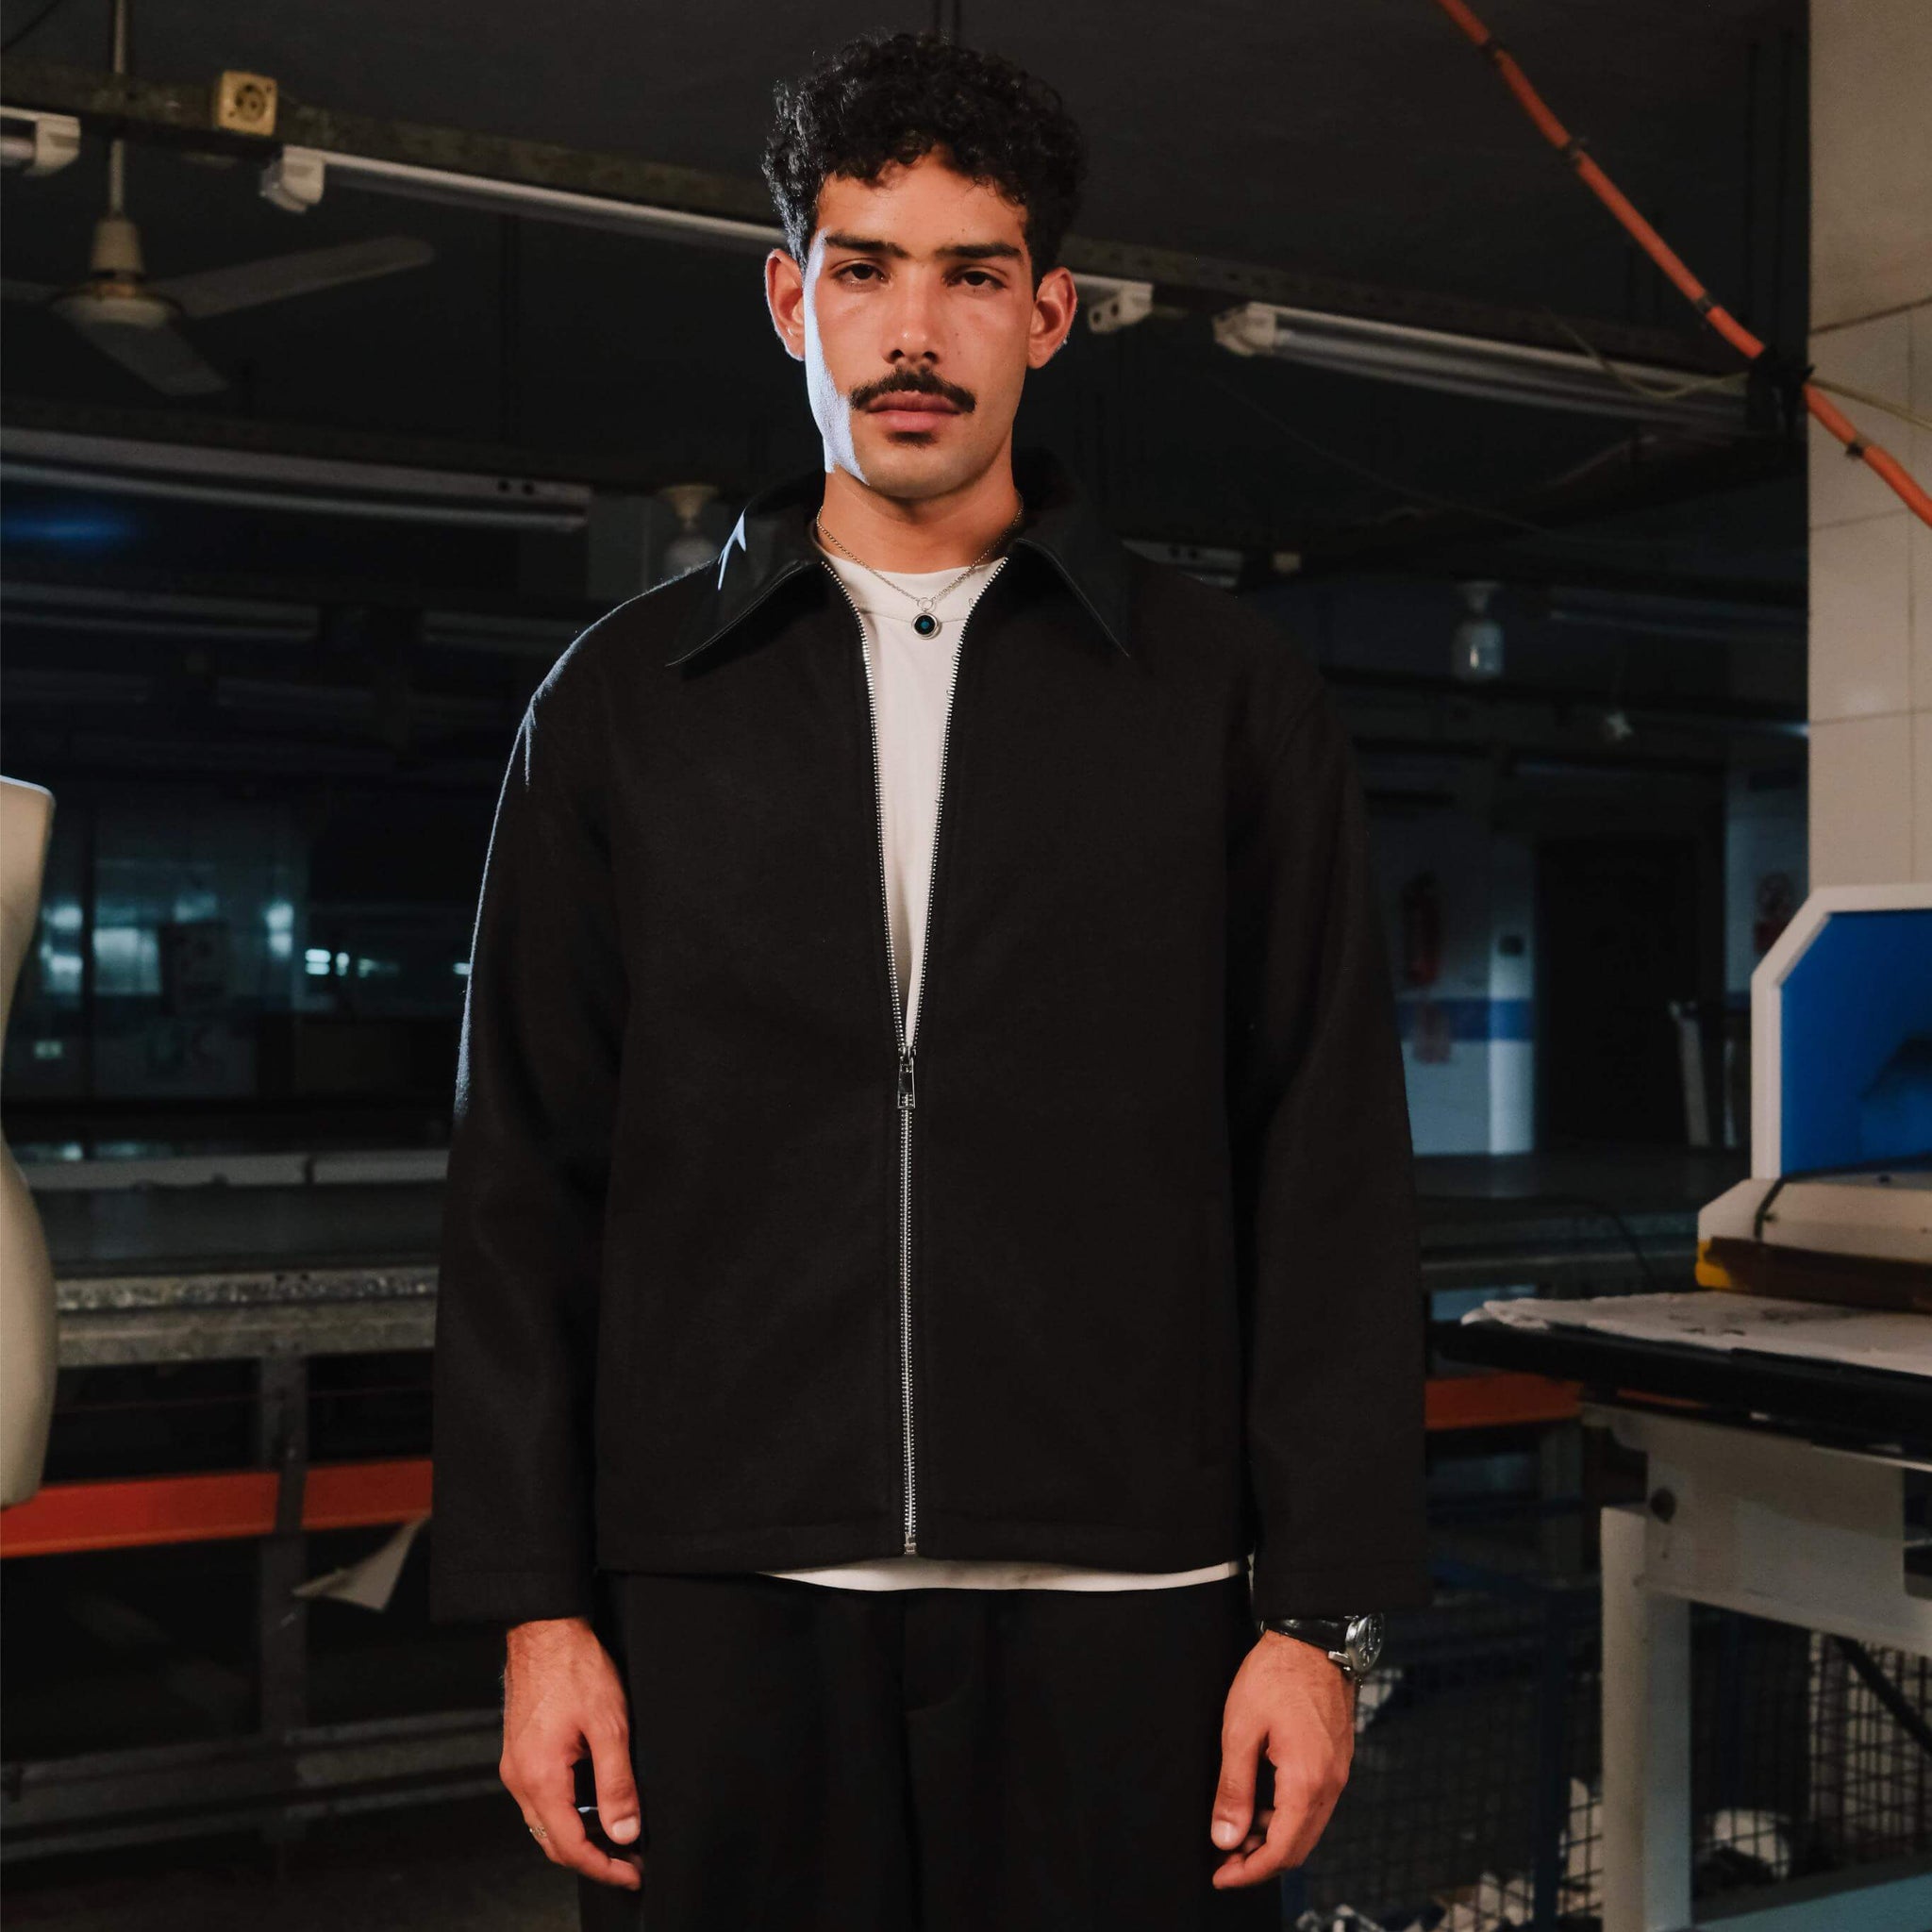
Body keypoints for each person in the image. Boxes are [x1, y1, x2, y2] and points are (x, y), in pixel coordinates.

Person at [428, 28, 1429, 1931]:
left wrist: (1320, 1621)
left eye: (973, 275)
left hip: (1131, 1603)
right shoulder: (625, 708)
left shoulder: (1224, 701)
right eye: (866, 269)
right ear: (789, 300)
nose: (913, 332)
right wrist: (537, 1614)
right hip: (723, 1596)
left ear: (1047, 314)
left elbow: (1327, 1165)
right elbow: (520, 1179)